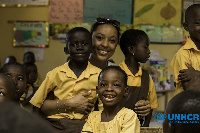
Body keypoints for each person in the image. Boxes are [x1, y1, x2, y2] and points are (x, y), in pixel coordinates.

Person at [30, 27, 101, 133]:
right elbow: (36, 104)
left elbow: (102, 108)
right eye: (74, 44)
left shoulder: (99, 75)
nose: (80, 47)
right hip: (56, 123)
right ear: (66, 50)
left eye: (85, 44)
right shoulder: (55, 74)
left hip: (84, 125)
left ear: (92, 48)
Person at [82, 66, 140, 133]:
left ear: (125, 91)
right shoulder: (93, 117)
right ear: (97, 90)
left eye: (116, 85)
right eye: (103, 85)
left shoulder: (128, 116)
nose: (109, 89)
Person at [119, 29, 158, 127]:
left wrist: (145, 126)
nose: (148, 51)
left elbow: (151, 105)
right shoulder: (116, 73)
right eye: (145, 47)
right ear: (131, 49)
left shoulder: (146, 77)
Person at [171, 4, 200, 94]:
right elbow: (191, 88)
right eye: (198, 23)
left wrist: (197, 74)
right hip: (188, 105)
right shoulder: (183, 54)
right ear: (186, 26)